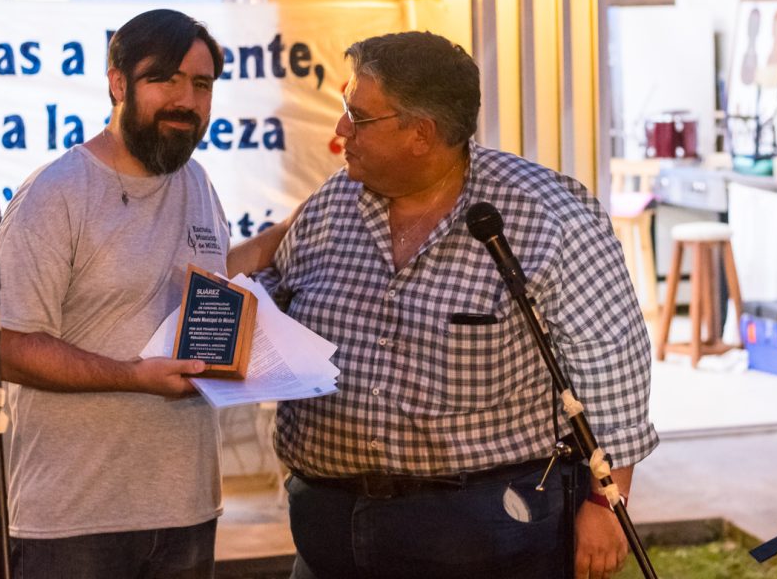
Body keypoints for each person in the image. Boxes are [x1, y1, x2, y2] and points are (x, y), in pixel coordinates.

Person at [255, 31, 658, 579]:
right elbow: (267, 296)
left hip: (484, 526)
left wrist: (605, 504)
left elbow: (612, 366)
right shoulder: (332, 202)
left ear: (421, 133)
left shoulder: (544, 214)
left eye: (358, 116)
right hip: (328, 523)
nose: (341, 130)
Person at [0, 9, 283, 578]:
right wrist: (135, 376)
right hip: (73, 521)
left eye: (201, 84)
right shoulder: (57, 193)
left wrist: (286, 234)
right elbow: (9, 347)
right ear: (118, 82)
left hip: (188, 510)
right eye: (164, 79)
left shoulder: (197, 182)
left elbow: (205, 281)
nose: (186, 100)